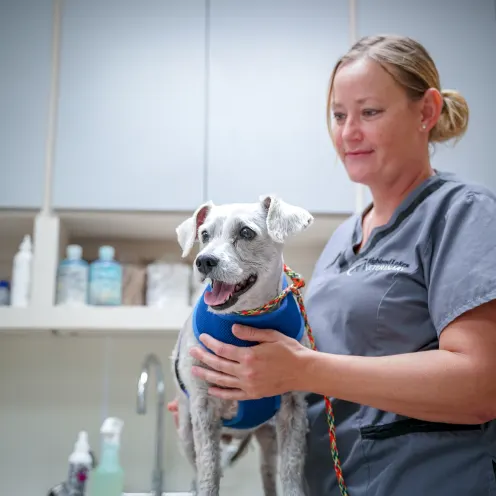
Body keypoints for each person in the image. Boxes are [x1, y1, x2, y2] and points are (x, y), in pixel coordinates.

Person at [168, 34, 496, 495]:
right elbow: (306, 377)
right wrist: (233, 401)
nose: (348, 132)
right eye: (339, 116)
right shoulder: (344, 238)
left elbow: (481, 385)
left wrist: (303, 370)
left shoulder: (464, 214)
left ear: (425, 112)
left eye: (369, 112)